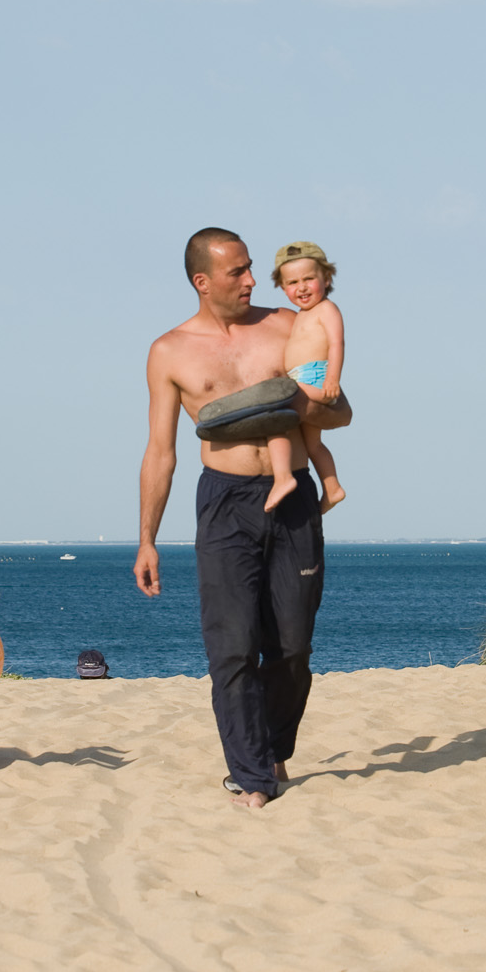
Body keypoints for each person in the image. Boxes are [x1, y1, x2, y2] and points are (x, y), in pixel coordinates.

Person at [134, 227, 354, 809]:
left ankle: (274, 749)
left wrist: (292, 403)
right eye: (238, 272)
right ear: (203, 281)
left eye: (253, 268)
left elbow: (341, 413)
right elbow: (161, 450)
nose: (254, 280)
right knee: (231, 646)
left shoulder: (287, 325)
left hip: (294, 498)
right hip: (225, 501)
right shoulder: (169, 350)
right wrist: (147, 539)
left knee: (293, 646)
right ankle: (253, 774)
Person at [262, 240, 346, 514]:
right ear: (282, 287)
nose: (302, 287)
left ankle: (283, 476)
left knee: (273, 410)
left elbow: (336, 343)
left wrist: (333, 378)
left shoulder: (327, 309)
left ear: (327, 277)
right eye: (293, 282)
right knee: (313, 443)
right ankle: (332, 488)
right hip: (302, 377)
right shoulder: (300, 315)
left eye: (309, 279)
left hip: (315, 376)